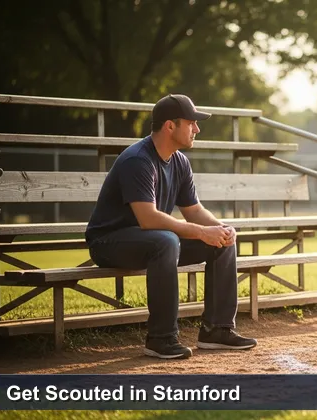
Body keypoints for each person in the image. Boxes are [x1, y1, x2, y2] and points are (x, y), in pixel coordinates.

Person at [85, 94, 257, 359]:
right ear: (170, 126)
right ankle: (161, 338)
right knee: (166, 240)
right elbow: (149, 219)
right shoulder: (138, 160)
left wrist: (220, 228)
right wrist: (202, 232)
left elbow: (194, 211)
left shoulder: (179, 161)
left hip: (151, 241)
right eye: (191, 123)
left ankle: (217, 330)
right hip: (108, 242)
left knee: (221, 241)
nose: (197, 129)